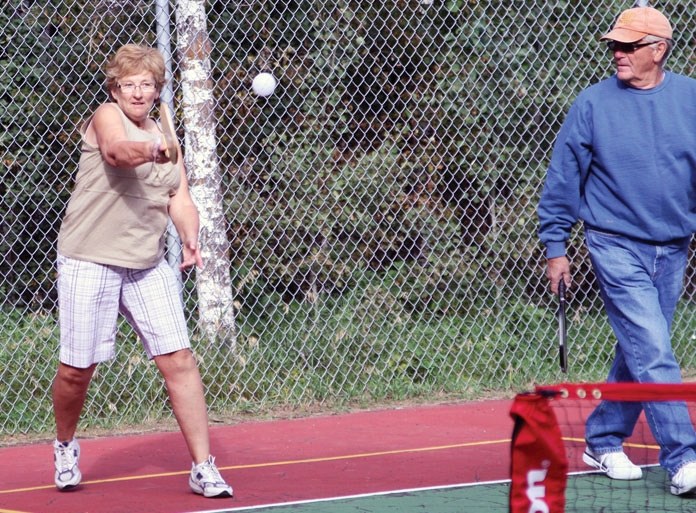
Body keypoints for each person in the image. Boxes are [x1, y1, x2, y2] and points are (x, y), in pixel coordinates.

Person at [51, 44, 233, 499]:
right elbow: (116, 152)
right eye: (128, 83)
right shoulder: (106, 117)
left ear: (157, 91)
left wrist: (191, 238)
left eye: (146, 84)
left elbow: (180, 200)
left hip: (147, 263)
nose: (137, 91)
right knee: (78, 370)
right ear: (115, 88)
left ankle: (202, 467)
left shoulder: (168, 136)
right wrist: (152, 150)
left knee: (180, 359)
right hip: (89, 255)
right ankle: (65, 445)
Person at [537, 5, 696, 496]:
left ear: (658, 49)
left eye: (628, 46)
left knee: (641, 350)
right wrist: (555, 246)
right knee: (653, 349)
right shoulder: (592, 104)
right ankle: (683, 457)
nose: (618, 54)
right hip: (615, 244)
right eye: (614, 46)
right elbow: (563, 177)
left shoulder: (691, 98)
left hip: (672, 247)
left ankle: (603, 438)